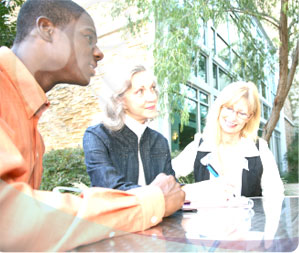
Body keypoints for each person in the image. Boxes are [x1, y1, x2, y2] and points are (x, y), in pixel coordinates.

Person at [0, 0, 185, 251]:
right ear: (46, 29)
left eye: (152, 89)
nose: (99, 53)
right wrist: (152, 201)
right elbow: (9, 217)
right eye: (88, 38)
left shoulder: (31, 116)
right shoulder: (96, 135)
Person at [173, 81, 284, 198]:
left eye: (242, 113)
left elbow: (275, 194)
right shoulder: (200, 145)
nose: (233, 117)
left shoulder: (260, 149)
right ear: (219, 108)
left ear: (250, 117)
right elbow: (165, 179)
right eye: (229, 108)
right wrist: (194, 189)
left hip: (250, 216)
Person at [83, 65, 175, 190]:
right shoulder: (97, 136)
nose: (152, 97)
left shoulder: (159, 141)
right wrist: (157, 195)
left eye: (152, 88)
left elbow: (172, 187)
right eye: (140, 91)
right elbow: (111, 190)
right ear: (119, 100)